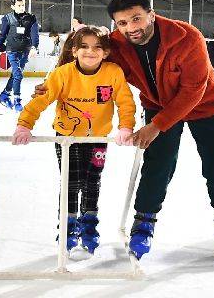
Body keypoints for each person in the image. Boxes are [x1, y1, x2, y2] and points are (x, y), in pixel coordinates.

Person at [33, 0, 214, 260]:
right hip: (157, 103)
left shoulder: (187, 37)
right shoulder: (117, 43)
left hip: (204, 105)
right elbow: (87, 61)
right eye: (122, 23)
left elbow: (193, 90)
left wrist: (156, 126)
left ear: (151, 14)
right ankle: (143, 224)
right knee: (158, 165)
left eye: (136, 19)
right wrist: (52, 83)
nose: (131, 28)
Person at [12, 26, 136, 253]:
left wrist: (125, 127)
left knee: (92, 182)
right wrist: (24, 125)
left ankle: (89, 224)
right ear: (74, 50)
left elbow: (125, 102)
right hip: (67, 137)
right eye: (85, 47)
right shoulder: (63, 74)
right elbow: (41, 100)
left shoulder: (113, 72)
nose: (91, 52)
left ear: (106, 52)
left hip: (97, 138)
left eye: (97, 47)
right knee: (71, 182)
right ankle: (67, 225)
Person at [0, 0, 39, 112]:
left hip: (25, 50)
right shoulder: (7, 18)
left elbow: (35, 34)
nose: (21, 7)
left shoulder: (31, 18)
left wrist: (34, 47)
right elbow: (3, 34)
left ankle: (4, 95)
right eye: (19, 5)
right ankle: (17, 101)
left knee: (15, 75)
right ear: (13, 6)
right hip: (12, 51)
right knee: (18, 75)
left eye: (23, 5)